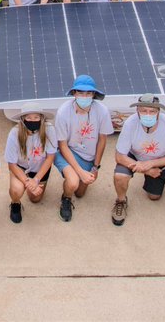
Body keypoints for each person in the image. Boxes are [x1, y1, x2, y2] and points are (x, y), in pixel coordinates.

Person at [111, 94, 165, 226]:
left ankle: (153, 182)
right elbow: (119, 156)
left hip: (159, 160)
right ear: (137, 110)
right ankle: (121, 201)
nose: (148, 114)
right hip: (134, 156)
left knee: (154, 196)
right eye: (144, 111)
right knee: (120, 176)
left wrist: (150, 164)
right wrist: (147, 170)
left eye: (152, 111)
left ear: (158, 112)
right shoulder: (130, 123)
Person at [54, 76, 114, 222]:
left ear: (93, 94)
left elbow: (102, 139)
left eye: (88, 93)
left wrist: (95, 167)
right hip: (67, 152)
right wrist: (79, 171)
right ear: (74, 93)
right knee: (73, 182)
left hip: (88, 156)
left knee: (80, 193)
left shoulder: (102, 111)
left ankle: (76, 179)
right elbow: (62, 145)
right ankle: (66, 199)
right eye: (80, 93)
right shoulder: (63, 112)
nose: (84, 96)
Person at [4, 106, 57, 224]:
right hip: (21, 168)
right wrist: (28, 182)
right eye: (28, 118)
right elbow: (12, 164)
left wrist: (36, 180)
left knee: (35, 199)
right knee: (17, 190)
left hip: (40, 169)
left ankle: (31, 186)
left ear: (42, 118)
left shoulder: (49, 129)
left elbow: (50, 158)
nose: (32, 120)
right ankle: (15, 203)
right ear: (22, 119)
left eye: (36, 117)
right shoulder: (14, 133)